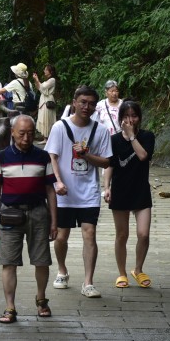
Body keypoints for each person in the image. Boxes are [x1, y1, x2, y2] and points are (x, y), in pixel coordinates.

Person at [0, 115, 58, 323]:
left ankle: (41, 299)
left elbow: (50, 191)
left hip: (38, 212)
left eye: (30, 133)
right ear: (12, 132)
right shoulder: (1, 157)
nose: (26, 138)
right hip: (10, 214)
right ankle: (10, 308)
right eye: (21, 133)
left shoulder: (43, 156)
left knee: (42, 260)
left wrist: (54, 222)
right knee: (8, 262)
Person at [45, 85, 112, 298]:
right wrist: (58, 182)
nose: (87, 107)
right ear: (74, 102)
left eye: (91, 103)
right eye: (83, 102)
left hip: (89, 191)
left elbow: (106, 162)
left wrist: (86, 155)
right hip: (64, 192)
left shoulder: (100, 130)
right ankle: (62, 270)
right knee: (61, 236)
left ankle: (88, 282)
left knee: (89, 233)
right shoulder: (59, 127)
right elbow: (52, 157)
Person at [103, 100, 155, 289]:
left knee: (143, 234)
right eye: (126, 116)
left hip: (140, 191)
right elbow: (110, 164)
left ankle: (138, 270)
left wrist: (132, 137)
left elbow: (143, 156)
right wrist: (106, 187)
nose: (130, 119)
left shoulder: (147, 136)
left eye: (134, 116)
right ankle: (122, 273)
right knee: (122, 235)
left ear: (139, 118)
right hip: (121, 191)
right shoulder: (114, 140)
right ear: (120, 119)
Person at [33, 64, 58, 138]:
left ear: (50, 71)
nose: (44, 71)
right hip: (43, 100)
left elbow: (43, 86)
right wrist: (36, 80)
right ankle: (45, 138)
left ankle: (48, 138)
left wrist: (37, 79)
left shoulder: (52, 80)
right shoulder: (48, 80)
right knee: (43, 119)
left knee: (47, 119)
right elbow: (39, 87)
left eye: (46, 69)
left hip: (48, 101)